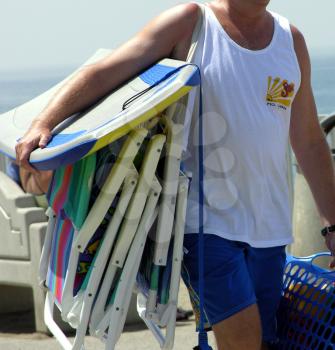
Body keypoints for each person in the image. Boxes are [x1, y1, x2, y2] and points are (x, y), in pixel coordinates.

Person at [15, 1, 335, 349]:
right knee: (244, 339)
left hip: (270, 230)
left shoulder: (291, 40)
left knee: (267, 340)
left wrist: (332, 225)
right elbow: (107, 71)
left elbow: (309, 142)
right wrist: (42, 123)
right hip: (204, 225)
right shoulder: (192, 22)